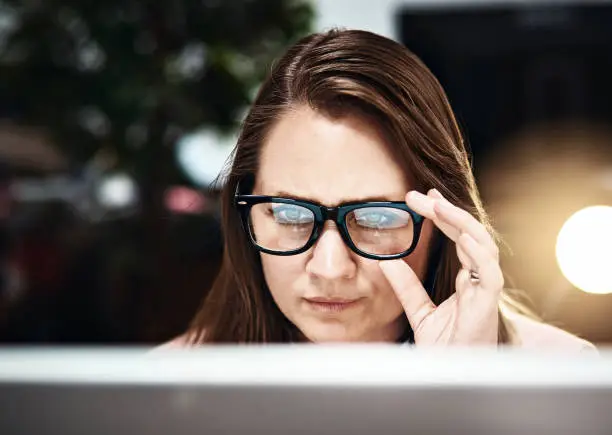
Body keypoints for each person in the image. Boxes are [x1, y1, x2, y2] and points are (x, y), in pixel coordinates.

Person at [168, 29, 595, 349]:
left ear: (443, 222)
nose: (330, 269)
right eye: (290, 215)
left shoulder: (563, 370)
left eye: (376, 218)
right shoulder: (169, 388)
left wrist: (462, 395)